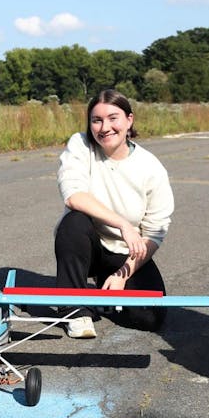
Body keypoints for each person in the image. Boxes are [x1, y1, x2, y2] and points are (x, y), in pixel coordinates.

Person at [54, 89, 175, 338]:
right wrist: (122, 224)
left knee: (150, 318)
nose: (104, 127)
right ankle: (75, 310)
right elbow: (73, 195)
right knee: (73, 222)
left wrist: (123, 275)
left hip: (125, 252)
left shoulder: (150, 167)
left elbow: (154, 233)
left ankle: (102, 288)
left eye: (113, 118)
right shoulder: (80, 144)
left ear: (129, 120)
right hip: (87, 245)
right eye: (96, 120)